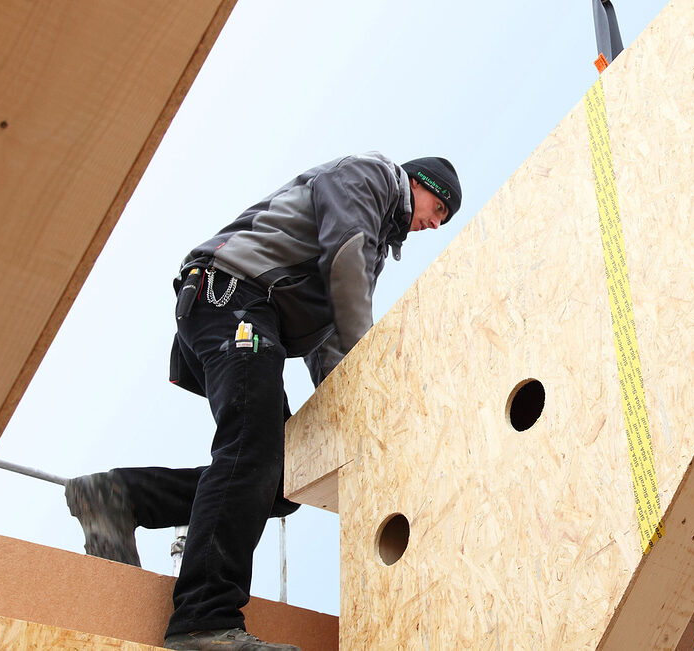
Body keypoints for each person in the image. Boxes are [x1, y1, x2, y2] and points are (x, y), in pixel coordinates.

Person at [64, 152, 462, 651]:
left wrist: (360, 410)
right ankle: (204, 621)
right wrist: (372, 371)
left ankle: (119, 498)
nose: (436, 223)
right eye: (439, 208)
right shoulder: (372, 176)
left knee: (280, 480)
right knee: (250, 451)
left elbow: (330, 339)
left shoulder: (375, 240)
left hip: (249, 313)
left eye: (444, 219)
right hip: (234, 296)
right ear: (418, 183)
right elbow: (345, 268)